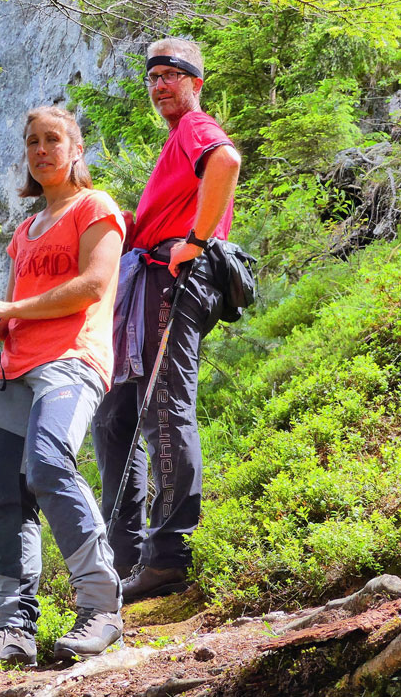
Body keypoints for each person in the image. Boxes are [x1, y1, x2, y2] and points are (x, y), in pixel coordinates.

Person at [0, 106, 125, 670]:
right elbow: (13, 308)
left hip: (72, 360)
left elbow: (92, 285)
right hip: (16, 368)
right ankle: (13, 629)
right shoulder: (25, 231)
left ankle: (102, 606)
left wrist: (10, 307)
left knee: (49, 464)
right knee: (8, 494)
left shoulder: (95, 207)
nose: (41, 149)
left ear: (76, 149)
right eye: (32, 141)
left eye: (53, 139)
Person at [92, 38, 241, 602]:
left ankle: (169, 555)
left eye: (171, 76)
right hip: (150, 282)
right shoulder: (176, 144)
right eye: (153, 77)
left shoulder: (195, 128)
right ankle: (125, 556)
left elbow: (225, 161)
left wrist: (195, 242)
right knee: (118, 417)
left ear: (195, 83)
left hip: (173, 282)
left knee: (162, 409)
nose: (159, 86)